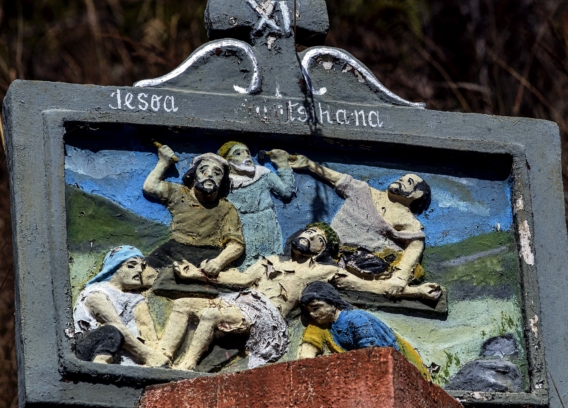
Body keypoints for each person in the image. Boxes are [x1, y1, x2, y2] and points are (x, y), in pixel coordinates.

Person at [157, 222, 344, 371]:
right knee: (183, 304)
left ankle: (188, 365)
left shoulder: (319, 271)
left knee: (211, 314)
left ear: (321, 250)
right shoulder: (272, 260)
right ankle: (162, 356)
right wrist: (197, 274)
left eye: (319, 239)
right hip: (242, 302)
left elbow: (354, 282)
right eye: (309, 232)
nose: (310, 236)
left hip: (266, 316)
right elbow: (242, 279)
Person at [289, 155, 440, 299]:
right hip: (328, 250)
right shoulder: (363, 190)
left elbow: (415, 246)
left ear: (417, 194)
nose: (401, 179)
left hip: (365, 264)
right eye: (403, 177)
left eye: (409, 182)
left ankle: (411, 291)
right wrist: (309, 164)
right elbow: (337, 178)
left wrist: (400, 277)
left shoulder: (408, 221)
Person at [143, 145, 245, 289]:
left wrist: (218, 262)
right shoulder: (179, 193)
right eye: (203, 170)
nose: (210, 175)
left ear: (222, 181)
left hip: (207, 255)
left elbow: (236, 244)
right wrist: (163, 162)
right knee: (146, 273)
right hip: (173, 251)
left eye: (217, 173)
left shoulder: (226, 208)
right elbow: (150, 187)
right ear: (193, 175)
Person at [298, 281, 431, 380]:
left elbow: (370, 352)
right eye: (309, 311)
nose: (312, 314)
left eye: (316, 308)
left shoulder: (356, 319)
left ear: (333, 303)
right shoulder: (327, 326)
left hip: (389, 366)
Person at [72, 246, 169, 367]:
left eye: (142, 266)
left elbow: (148, 331)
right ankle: (101, 366)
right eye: (131, 265)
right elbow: (116, 325)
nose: (139, 270)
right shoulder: (95, 293)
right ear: (114, 268)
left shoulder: (136, 298)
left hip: (130, 362)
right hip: (89, 353)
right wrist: (149, 355)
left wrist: (157, 355)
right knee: (112, 331)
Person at [218, 141, 294, 268]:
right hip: (241, 230)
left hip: (268, 227)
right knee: (244, 266)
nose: (247, 156)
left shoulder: (263, 174)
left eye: (247, 152)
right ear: (227, 161)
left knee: (271, 265)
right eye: (238, 154)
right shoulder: (224, 184)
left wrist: (283, 164)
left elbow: (286, 192)